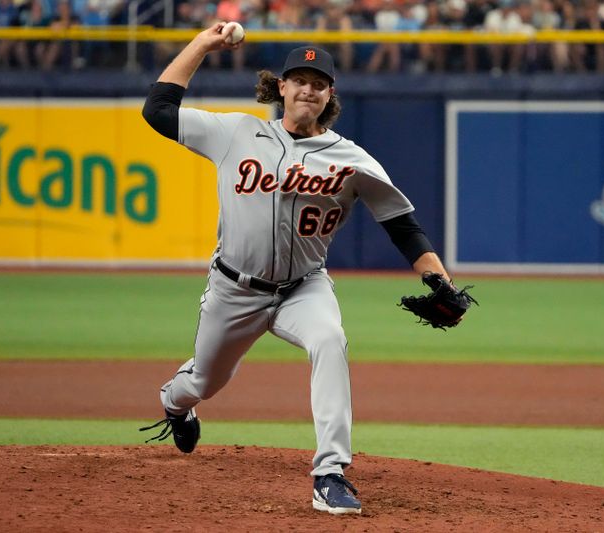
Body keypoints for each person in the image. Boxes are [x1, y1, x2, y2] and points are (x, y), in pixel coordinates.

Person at [138, 24, 460, 515]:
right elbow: (158, 110)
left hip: (303, 288)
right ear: (280, 87)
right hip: (234, 288)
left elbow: (401, 224)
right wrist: (204, 43)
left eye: (318, 81)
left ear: (330, 94)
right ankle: (175, 404)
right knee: (203, 380)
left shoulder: (351, 158)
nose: (308, 87)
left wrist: (436, 276)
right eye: (299, 79)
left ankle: (330, 473)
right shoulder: (237, 133)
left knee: (330, 339)